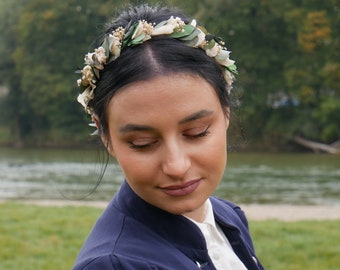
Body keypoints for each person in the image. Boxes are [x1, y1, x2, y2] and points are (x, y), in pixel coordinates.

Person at [73, 4, 264, 270]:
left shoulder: (227, 216)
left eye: (196, 133)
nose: (176, 166)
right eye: (143, 144)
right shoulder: (114, 265)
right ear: (105, 136)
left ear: (226, 113)